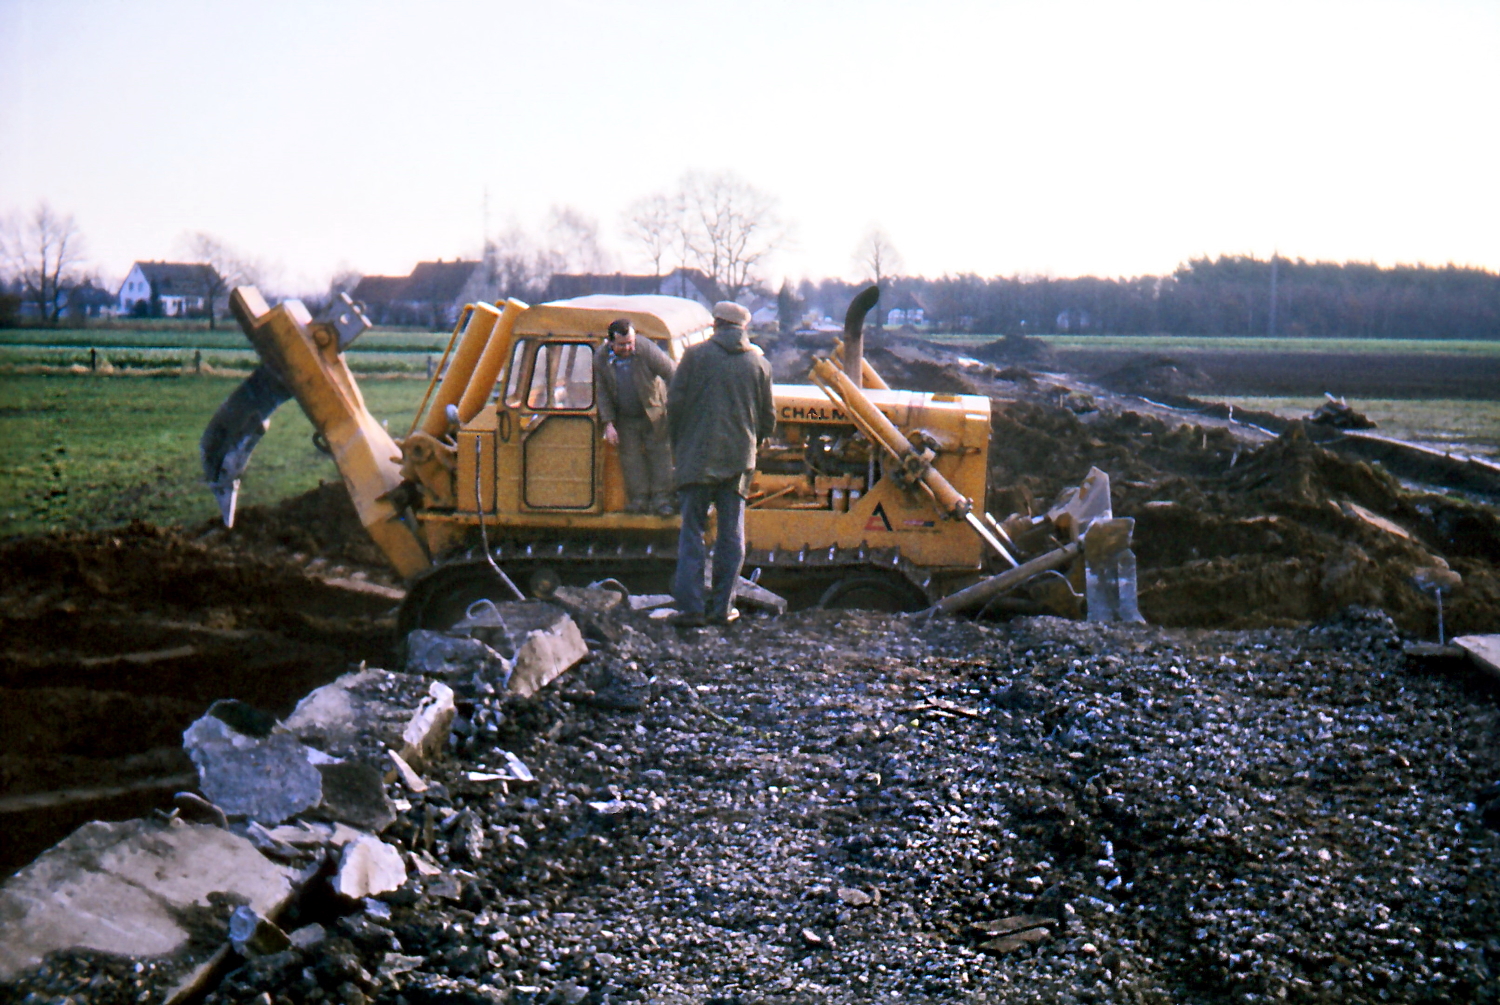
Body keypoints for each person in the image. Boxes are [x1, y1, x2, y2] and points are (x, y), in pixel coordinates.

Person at [666, 300, 776, 626]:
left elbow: (674, 406)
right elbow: (768, 421)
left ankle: (690, 610)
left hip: (695, 461)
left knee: (692, 534)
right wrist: (750, 446)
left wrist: (681, 445)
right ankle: (722, 609)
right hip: (737, 463)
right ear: (743, 328)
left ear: (716, 324)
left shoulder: (693, 357)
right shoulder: (760, 366)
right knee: (731, 536)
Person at [594, 317, 677, 514]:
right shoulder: (601, 359)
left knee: (660, 455)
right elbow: (602, 392)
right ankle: (639, 500)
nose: (628, 348)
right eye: (622, 344)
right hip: (625, 417)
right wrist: (609, 423)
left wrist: (672, 405)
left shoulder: (646, 349)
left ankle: (662, 501)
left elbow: (672, 372)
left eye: (630, 342)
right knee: (631, 459)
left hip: (653, 413)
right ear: (611, 342)